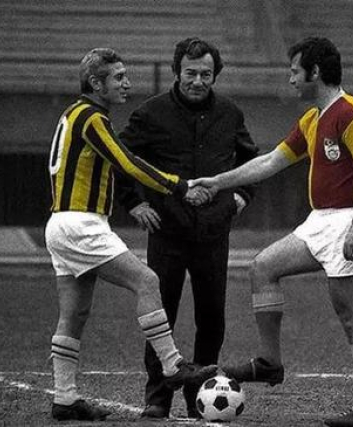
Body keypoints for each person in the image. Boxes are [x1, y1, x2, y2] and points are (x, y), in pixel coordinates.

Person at [191, 37, 353, 427]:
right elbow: (270, 162)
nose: (291, 78)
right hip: (321, 221)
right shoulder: (314, 119)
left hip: (349, 222)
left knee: (352, 318)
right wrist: (217, 182)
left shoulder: (350, 113)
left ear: (315, 72)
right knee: (263, 267)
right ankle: (270, 362)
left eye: (295, 71)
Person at [44, 47, 217, 422]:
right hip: (81, 223)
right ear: (96, 83)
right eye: (119, 77)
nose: (127, 83)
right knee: (147, 280)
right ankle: (172, 365)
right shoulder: (92, 117)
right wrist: (180, 186)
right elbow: (127, 162)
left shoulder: (73, 113)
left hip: (61, 223)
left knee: (74, 314)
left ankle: (65, 397)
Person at [116, 37, 259, 420]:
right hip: (167, 230)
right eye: (191, 73)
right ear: (177, 72)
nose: (198, 81)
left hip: (214, 232)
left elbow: (252, 160)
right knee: (161, 313)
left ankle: (201, 395)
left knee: (211, 317)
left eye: (206, 74)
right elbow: (119, 157)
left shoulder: (230, 113)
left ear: (215, 75)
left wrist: (242, 195)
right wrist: (133, 203)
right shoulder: (151, 113)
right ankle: (157, 396)